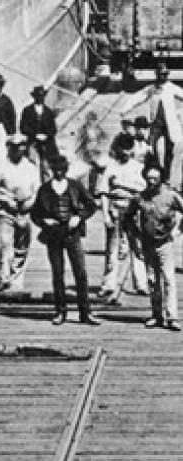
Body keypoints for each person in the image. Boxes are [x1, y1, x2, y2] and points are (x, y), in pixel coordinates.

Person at [30, 154, 100, 326]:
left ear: (66, 170)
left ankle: (85, 313)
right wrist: (44, 221)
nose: (59, 173)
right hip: (53, 235)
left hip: (72, 234)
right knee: (58, 274)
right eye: (56, 170)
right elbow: (35, 213)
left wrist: (79, 217)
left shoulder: (75, 186)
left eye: (62, 170)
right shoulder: (45, 189)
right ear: (52, 171)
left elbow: (92, 205)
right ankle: (60, 311)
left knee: (81, 273)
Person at [126, 164, 183, 331]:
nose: (152, 182)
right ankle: (156, 315)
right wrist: (135, 237)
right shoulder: (139, 198)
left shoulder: (170, 196)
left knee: (169, 279)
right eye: (149, 179)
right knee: (153, 280)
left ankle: (172, 317)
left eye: (155, 179)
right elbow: (128, 218)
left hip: (165, 243)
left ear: (161, 180)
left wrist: (178, 230)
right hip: (147, 243)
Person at [0, 134, 40, 292]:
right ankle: (3, 281)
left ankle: (16, 282)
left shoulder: (31, 167)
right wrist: (4, 200)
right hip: (7, 211)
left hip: (25, 211)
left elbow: (37, 190)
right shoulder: (2, 167)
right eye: (13, 146)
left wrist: (30, 203)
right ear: (8, 148)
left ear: (24, 148)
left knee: (22, 248)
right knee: (5, 246)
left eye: (20, 146)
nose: (17, 149)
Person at [98, 134, 147, 300]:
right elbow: (103, 193)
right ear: (117, 149)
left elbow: (144, 191)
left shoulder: (139, 168)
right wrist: (105, 215)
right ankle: (108, 284)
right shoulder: (110, 168)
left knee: (138, 248)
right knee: (113, 249)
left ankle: (141, 283)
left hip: (134, 210)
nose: (126, 152)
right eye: (123, 148)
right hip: (115, 209)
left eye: (129, 148)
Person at [122, 62, 183, 182]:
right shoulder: (151, 88)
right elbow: (138, 97)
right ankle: (153, 171)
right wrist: (125, 109)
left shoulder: (171, 87)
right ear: (157, 74)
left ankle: (166, 176)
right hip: (156, 124)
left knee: (169, 151)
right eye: (161, 74)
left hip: (170, 124)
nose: (163, 77)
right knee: (151, 147)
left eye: (165, 74)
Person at [19, 85, 58, 179]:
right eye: (38, 95)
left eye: (42, 95)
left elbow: (53, 129)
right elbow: (23, 127)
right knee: (33, 164)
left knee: (46, 166)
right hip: (33, 142)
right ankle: (35, 186)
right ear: (34, 96)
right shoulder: (27, 110)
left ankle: (46, 188)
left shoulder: (48, 112)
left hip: (46, 144)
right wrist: (35, 135)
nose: (40, 98)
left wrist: (46, 136)